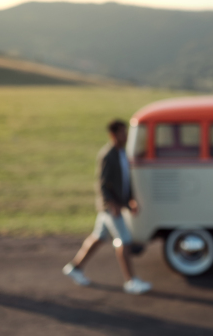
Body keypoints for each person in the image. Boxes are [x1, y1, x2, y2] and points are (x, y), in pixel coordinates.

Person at [62, 119, 152, 295]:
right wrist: (112, 204)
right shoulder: (107, 155)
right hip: (111, 207)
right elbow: (102, 184)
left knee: (98, 237)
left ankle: (75, 267)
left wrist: (131, 199)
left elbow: (126, 179)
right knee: (124, 240)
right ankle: (130, 281)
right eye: (122, 132)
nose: (125, 136)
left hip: (118, 204)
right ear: (113, 134)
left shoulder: (122, 153)